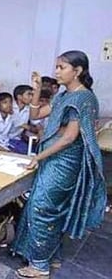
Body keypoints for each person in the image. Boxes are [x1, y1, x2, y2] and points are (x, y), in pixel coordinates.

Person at [12, 51, 106, 279]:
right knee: (43, 206)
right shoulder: (63, 96)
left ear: (78, 71)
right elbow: (34, 115)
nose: (56, 72)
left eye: (61, 67)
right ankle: (50, 256)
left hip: (64, 162)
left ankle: (40, 266)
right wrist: (36, 88)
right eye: (56, 67)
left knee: (43, 209)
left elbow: (69, 137)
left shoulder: (84, 98)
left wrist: (38, 157)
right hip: (51, 159)